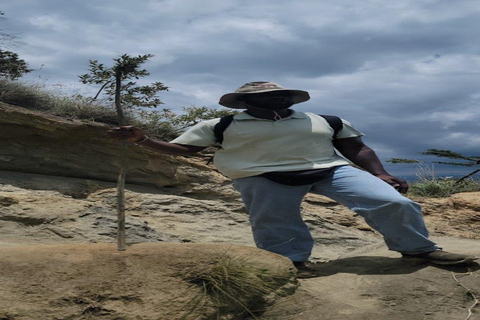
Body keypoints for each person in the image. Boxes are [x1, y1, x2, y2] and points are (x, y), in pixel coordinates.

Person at [108, 81, 477, 278]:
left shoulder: (324, 120)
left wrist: (380, 173)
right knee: (275, 221)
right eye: (265, 96)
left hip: (328, 169)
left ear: (289, 97)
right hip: (259, 175)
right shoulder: (221, 125)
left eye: (280, 94)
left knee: (392, 201)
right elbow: (184, 151)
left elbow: (356, 148)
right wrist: (143, 140)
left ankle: (420, 250)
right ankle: (291, 264)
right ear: (242, 103)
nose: (275, 99)